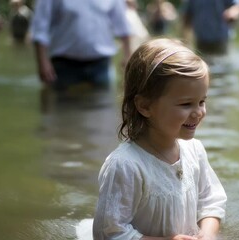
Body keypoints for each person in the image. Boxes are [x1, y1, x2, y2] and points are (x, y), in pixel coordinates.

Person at [93, 38, 227, 239]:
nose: (198, 112)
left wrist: (207, 234)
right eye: (186, 104)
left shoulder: (195, 150)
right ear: (145, 106)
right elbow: (109, 233)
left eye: (202, 101)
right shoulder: (126, 166)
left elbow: (211, 201)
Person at [30, 0, 132, 92]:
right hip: (64, 65)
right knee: (63, 107)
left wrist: (127, 55)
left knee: (103, 107)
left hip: (101, 65)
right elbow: (40, 27)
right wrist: (42, 62)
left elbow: (122, 23)